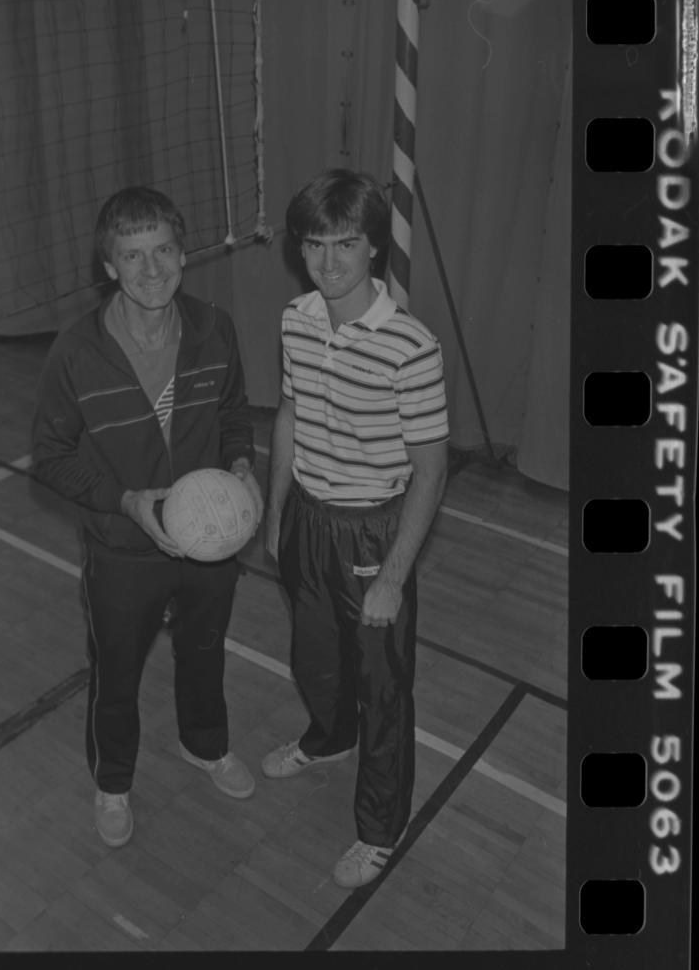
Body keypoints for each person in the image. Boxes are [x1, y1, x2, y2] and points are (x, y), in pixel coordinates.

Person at [31, 186, 263, 848]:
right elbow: (48, 456)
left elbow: (233, 414)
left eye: (163, 250)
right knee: (116, 676)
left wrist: (241, 466)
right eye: (132, 256)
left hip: (209, 545)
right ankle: (113, 783)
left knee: (203, 652)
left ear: (183, 255)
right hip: (123, 549)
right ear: (109, 267)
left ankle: (205, 744)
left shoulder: (214, 328)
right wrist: (125, 500)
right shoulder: (76, 352)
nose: (151, 269)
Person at [262, 168, 449, 888]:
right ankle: (327, 737)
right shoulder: (295, 320)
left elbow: (431, 468)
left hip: (373, 532)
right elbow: (288, 412)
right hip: (307, 517)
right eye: (314, 243)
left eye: (344, 243)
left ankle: (379, 826)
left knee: (383, 688)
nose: (328, 261)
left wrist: (395, 575)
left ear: (374, 247)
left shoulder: (411, 346)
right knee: (315, 659)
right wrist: (278, 515)